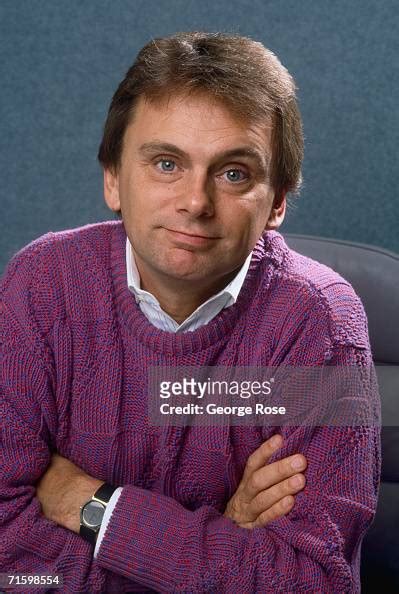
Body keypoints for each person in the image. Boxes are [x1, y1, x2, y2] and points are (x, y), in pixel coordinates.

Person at [0, 32, 380, 593]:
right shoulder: (42, 286)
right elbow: (13, 567)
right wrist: (211, 549)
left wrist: (94, 506)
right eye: (166, 163)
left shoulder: (320, 325)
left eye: (233, 173)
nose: (196, 202)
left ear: (278, 201)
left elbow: (313, 581)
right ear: (113, 179)